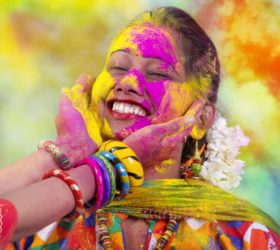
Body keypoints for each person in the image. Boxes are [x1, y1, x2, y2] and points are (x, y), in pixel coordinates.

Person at [0, 6, 280, 250]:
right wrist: (66, 150)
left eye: (158, 73)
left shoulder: (244, 238)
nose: (128, 82)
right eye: (119, 67)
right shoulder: (38, 224)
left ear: (202, 119)